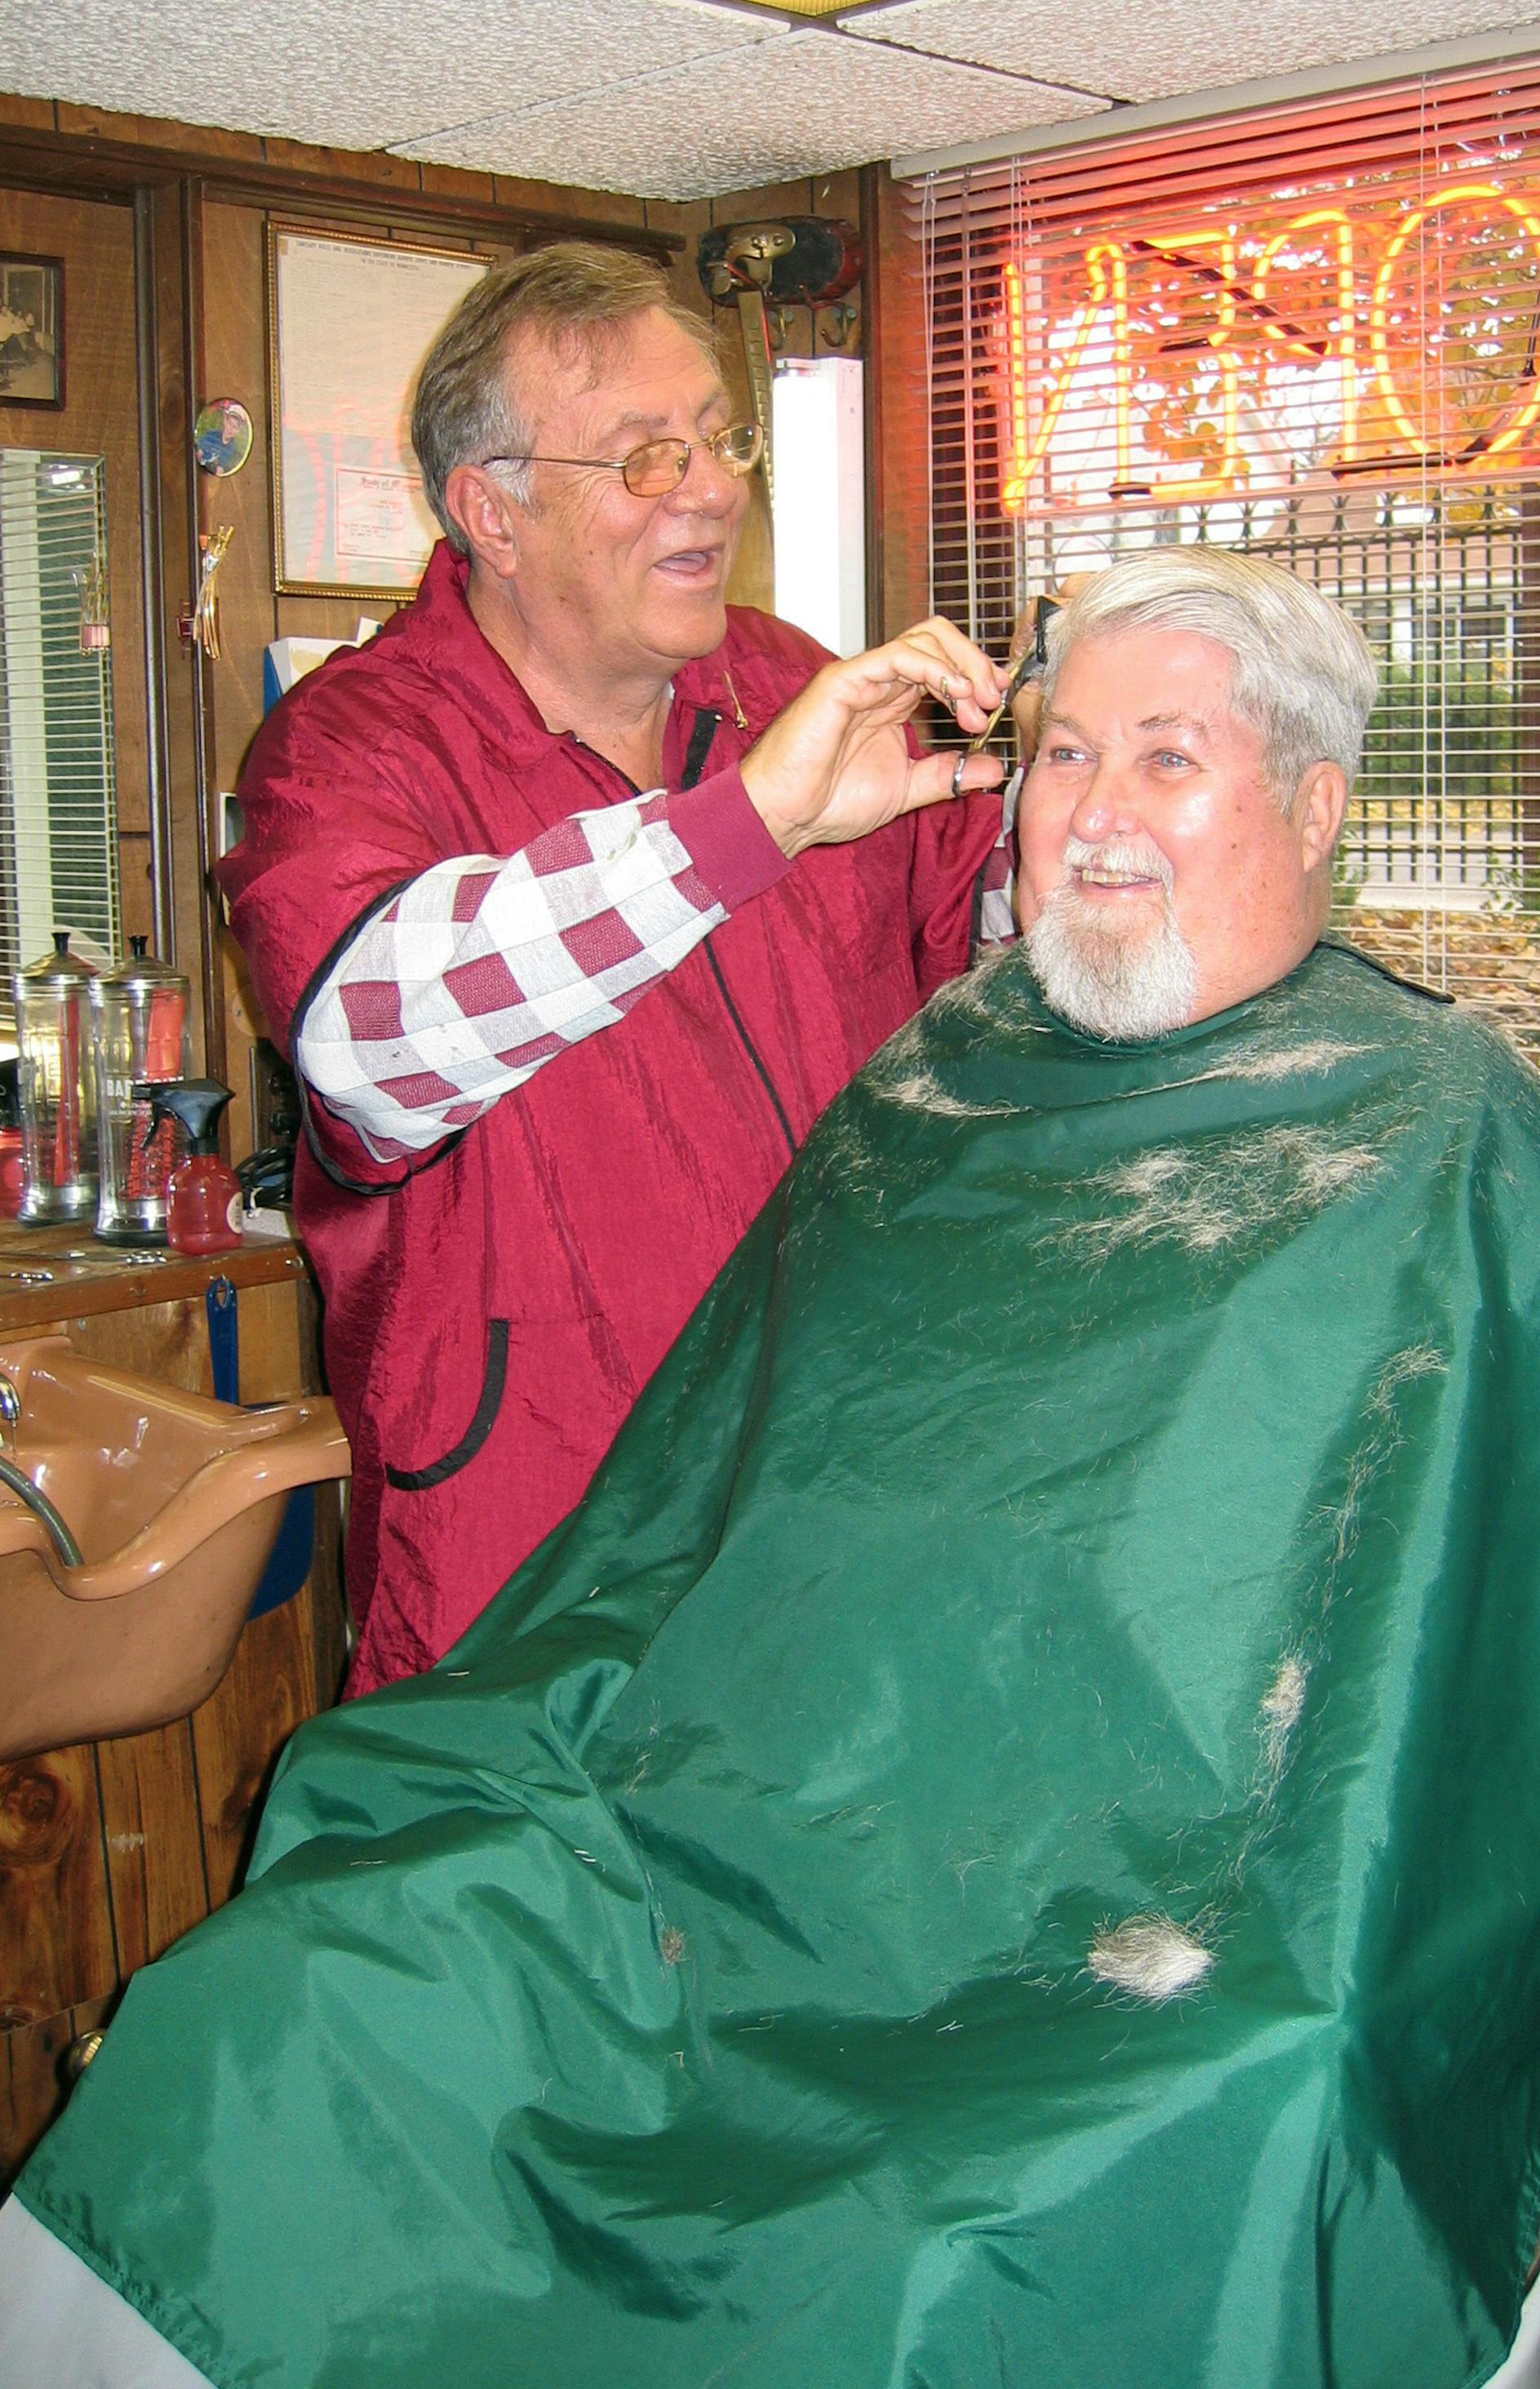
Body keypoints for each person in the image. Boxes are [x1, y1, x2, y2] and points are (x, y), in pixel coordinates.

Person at [2, 551, 1540, 2388]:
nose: (1094, 812)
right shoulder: (945, 1083)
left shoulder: (1459, 1147)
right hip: (764, 1830)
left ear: (1314, 810)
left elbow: (1509, 1702)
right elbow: (712, 1520)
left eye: (1169, 758)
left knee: (969, 2222)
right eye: (1063, 755)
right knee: (300, 2000)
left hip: (1144, 1920)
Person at [216, 240, 1005, 1691]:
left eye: (720, 439)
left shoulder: (790, 685)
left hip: (827, 1513)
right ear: (492, 512)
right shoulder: (351, 751)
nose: (709, 488)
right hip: (533, 1554)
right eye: (645, 456)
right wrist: (747, 823)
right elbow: (370, 1043)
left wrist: (1092, 778)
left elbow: (983, 965)